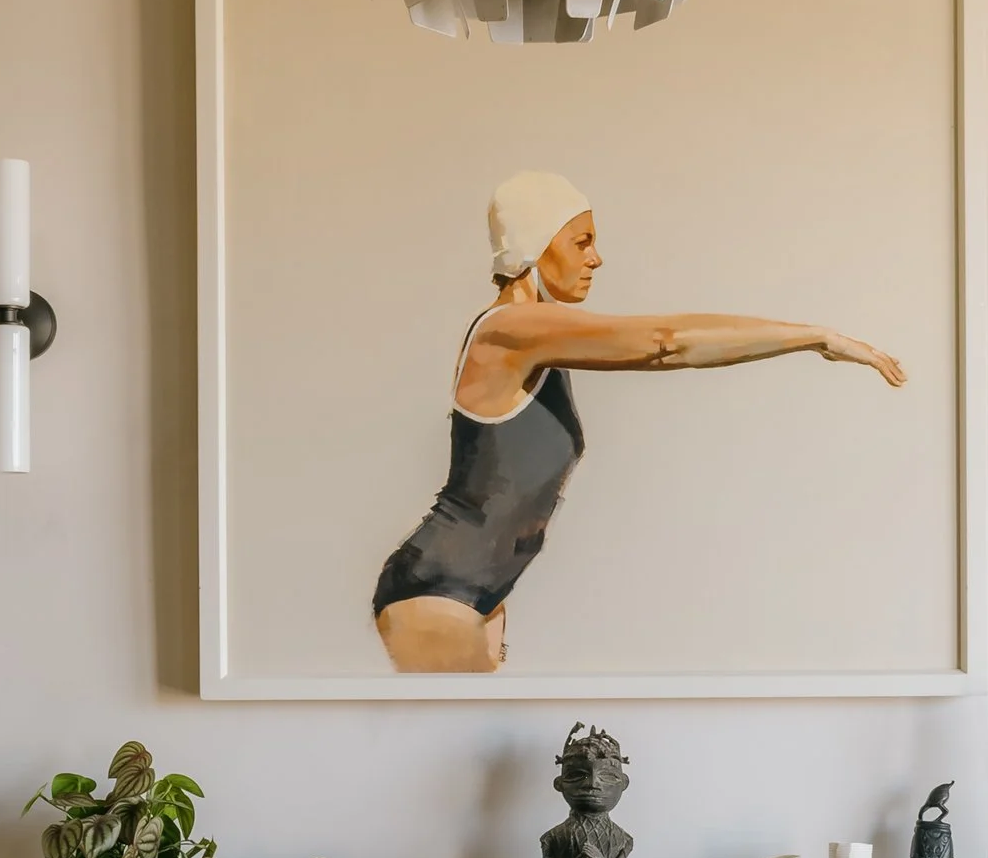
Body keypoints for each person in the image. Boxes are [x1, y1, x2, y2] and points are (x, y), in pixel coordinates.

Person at [372, 170, 905, 674]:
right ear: (535, 245)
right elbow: (666, 343)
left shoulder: (536, 338)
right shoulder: (512, 329)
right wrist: (815, 336)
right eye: (581, 242)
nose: (596, 259)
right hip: (439, 588)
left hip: (484, 595)